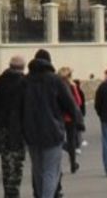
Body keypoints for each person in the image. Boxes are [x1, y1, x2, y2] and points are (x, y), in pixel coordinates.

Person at [22, 49, 82, 198]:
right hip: (53, 131)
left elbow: (17, 107)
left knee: (37, 169)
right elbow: (70, 104)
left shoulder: (25, 81)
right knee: (51, 170)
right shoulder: (55, 80)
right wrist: (78, 121)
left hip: (30, 132)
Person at [0, 54, 27, 198]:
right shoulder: (24, 83)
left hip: (2, 128)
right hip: (18, 129)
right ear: (22, 68)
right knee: (17, 164)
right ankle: (14, 192)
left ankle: (8, 193)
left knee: (6, 164)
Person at [58, 67, 85, 174]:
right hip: (70, 116)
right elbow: (78, 102)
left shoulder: (55, 85)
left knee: (58, 139)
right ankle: (73, 164)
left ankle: (58, 166)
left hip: (59, 116)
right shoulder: (72, 86)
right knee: (71, 139)